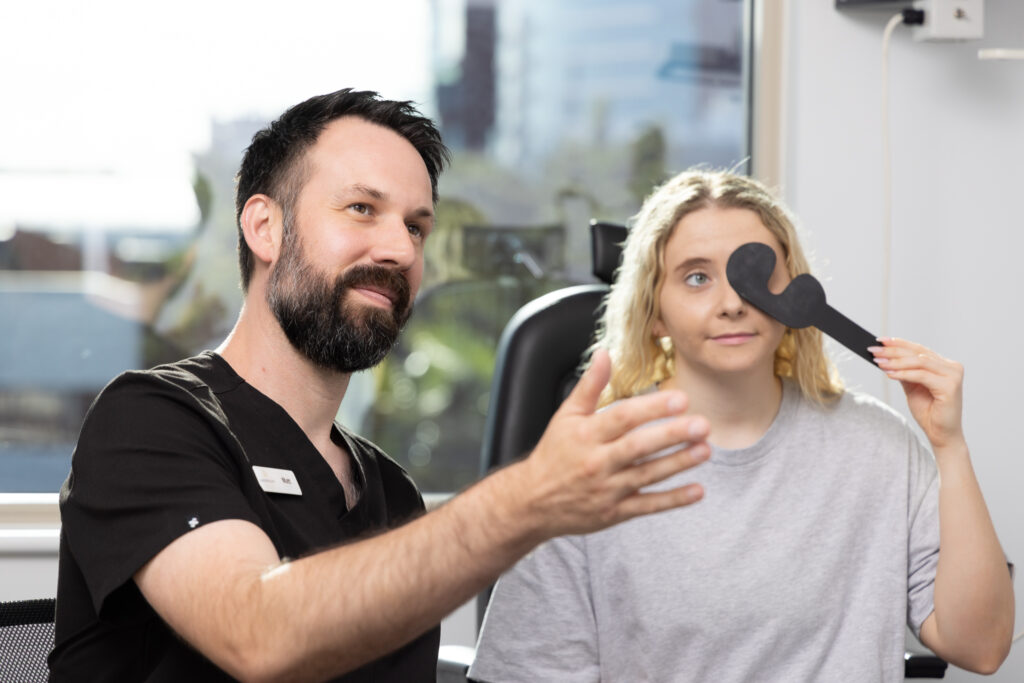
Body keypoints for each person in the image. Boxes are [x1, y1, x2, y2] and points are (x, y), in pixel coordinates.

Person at [48, 89, 715, 682]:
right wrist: (528, 497)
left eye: (416, 226)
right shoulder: (150, 420)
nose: (399, 248)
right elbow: (256, 634)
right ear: (264, 227)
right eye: (362, 208)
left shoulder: (390, 491)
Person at [469, 169, 1014, 682]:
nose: (733, 303)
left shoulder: (881, 448)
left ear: (795, 297)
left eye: (755, 275)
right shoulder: (587, 465)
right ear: (655, 310)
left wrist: (950, 445)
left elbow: (981, 647)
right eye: (697, 277)